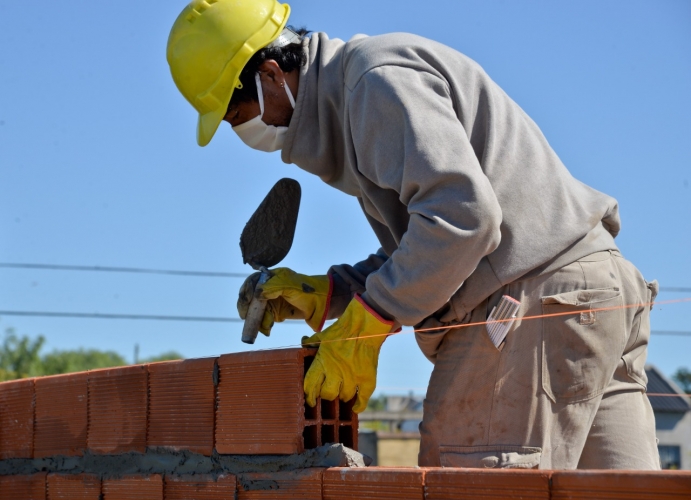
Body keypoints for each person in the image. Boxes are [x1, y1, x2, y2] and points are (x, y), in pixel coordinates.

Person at [167, 0, 660, 469]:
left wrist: (369, 322)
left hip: (528, 303)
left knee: (465, 483)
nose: (246, 131)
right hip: (592, 295)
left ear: (271, 76)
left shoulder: (371, 83)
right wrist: (334, 292)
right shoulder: (359, 92)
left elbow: (465, 220)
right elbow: (435, 240)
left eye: (237, 116)